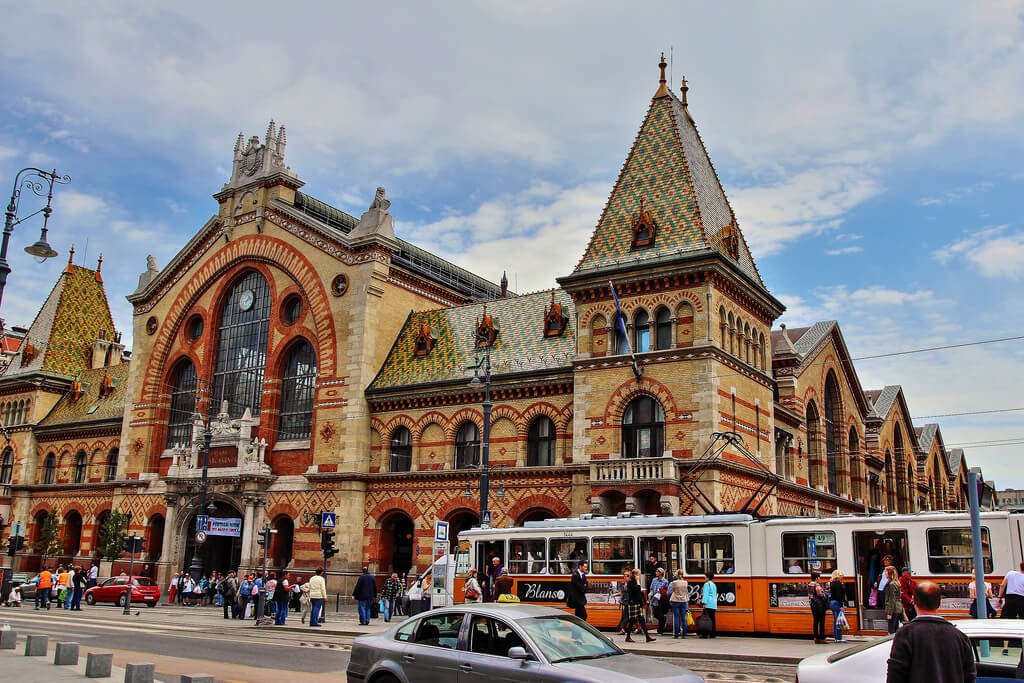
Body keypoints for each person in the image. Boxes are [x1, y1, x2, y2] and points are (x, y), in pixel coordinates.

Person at [886, 581, 976, 683]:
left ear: (914, 601)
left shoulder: (905, 634)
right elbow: (969, 676)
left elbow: (895, 675)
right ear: (939, 603)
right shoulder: (960, 637)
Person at [624, 568, 655, 643]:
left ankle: (647, 637)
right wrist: (638, 581)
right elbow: (636, 589)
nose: (639, 575)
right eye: (638, 574)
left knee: (642, 620)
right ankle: (628, 637)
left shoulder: (633, 581)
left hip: (637, 604)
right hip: (633, 603)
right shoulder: (631, 582)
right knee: (632, 621)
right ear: (635, 575)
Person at [808, 569, 828, 643]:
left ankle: (816, 637)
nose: (819, 579)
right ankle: (822, 638)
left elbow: (810, 595)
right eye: (819, 577)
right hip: (820, 606)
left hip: (813, 605)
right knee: (822, 622)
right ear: (816, 578)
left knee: (815, 621)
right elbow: (821, 594)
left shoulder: (809, 584)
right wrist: (825, 594)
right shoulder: (817, 585)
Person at [668, 569, 689, 639]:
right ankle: (684, 634)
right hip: (683, 600)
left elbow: (672, 591)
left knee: (676, 617)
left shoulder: (674, 582)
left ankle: (676, 634)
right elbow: (686, 591)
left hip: (675, 600)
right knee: (683, 617)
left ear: (677, 575)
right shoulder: (685, 582)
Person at [649, 567, 670, 635]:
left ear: (661, 573)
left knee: (660, 615)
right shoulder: (654, 580)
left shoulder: (665, 581)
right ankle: (663, 621)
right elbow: (651, 588)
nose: (656, 572)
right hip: (654, 599)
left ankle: (660, 631)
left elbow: (667, 591)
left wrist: (661, 592)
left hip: (661, 601)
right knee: (655, 614)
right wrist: (651, 593)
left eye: (657, 571)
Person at [829, 570, 847, 643]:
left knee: (836, 620)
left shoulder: (832, 583)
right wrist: (841, 605)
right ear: (838, 576)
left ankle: (836, 637)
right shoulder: (838, 583)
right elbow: (839, 595)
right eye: (841, 576)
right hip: (837, 603)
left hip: (832, 602)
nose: (842, 577)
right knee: (838, 621)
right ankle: (839, 638)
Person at [883, 566, 902, 634]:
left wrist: (889, 613)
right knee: (896, 628)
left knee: (891, 630)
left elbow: (892, 599)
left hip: (893, 609)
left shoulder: (891, 584)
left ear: (889, 573)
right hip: (897, 608)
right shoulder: (897, 583)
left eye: (886, 572)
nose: (885, 574)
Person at [702, 571, 718, 639]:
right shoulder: (713, 584)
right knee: (712, 619)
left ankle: (705, 633)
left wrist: (704, 603)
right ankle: (713, 633)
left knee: (705, 619)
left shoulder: (706, 584)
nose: (704, 578)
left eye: (705, 576)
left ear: (708, 577)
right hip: (713, 603)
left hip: (708, 603)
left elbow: (705, 594)